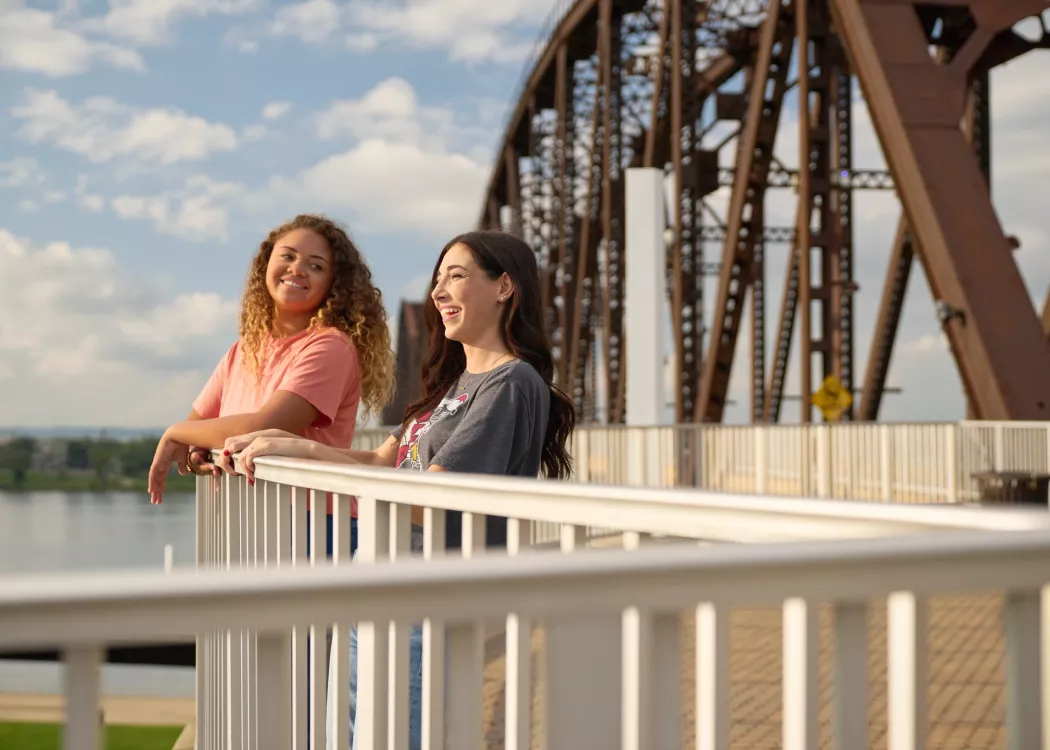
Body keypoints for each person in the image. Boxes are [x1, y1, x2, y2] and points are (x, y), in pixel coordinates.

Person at [220, 230, 576, 750]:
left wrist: (334, 477)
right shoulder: (455, 387)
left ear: (504, 288)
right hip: (383, 583)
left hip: (427, 600)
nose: (438, 291)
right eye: (438, 278)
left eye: (456, 276)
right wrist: (295, 447)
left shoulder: (510, 382)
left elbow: (432, 500)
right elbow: (381, 462)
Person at [147, 213, 395, 560]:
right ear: (266, 263)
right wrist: (194, 446)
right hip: (246, 523)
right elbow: (198, 426)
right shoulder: (243, 350)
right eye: (288, 256)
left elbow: (264, 427)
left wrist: (179, 433)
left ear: (334, 285)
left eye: (316, 265)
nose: (297, 269)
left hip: (312, 526)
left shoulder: (330, 346)